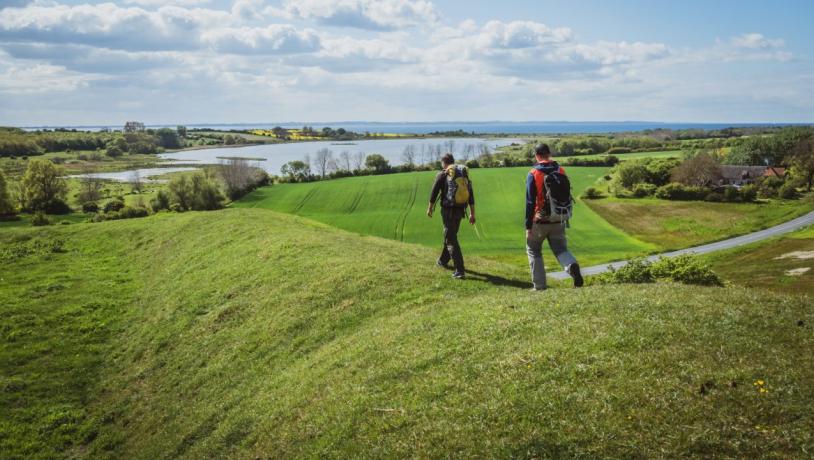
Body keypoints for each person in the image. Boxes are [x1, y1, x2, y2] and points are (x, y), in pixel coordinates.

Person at [525, 143, 583, 290]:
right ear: (549, 154)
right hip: (559, 217)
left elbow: (530, 201)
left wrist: (528, 226)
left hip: (540, 220)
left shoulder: (533, 173)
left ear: (537, 156)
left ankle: (539, 286)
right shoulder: (560, 170)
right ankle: (571, 266)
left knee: (533, 249)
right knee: (560, 249)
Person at [427, 153, 475, 279]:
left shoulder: (443, 174)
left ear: (444, 162)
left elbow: (434, 192)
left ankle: (459, 270)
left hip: (448, 211)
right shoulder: (463, 173)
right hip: (460, 211)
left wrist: (430, 208)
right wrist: (472, 214)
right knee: (450, 235)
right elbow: (471, 194)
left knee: (450, 238)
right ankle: (442, 261)